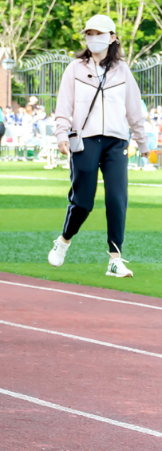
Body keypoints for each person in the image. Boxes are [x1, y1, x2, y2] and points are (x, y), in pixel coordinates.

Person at [48, 14, 149, 278]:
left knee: (117, 199)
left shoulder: (122, 70)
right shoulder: (75, 69)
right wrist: (61, 135)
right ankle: (64, 239)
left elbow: (134, 109)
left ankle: (115, 259)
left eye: (100, 33)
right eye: (89, 33)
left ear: (113, 37)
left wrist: (143, 140)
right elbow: (63, 107)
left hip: (117, 142)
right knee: (83, 202)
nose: (94, 38)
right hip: (85, 140)